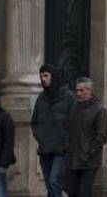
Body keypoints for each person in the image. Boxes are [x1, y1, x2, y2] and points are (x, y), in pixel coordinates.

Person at [31, 63, 75, 197]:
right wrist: (41, 138)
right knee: (50, 185)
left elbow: (75, 123)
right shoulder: (41, 98)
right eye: (41, 76)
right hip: (45, 149)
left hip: (61, 150)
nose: (43, 79)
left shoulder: (69, 97)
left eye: (46, 76)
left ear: (53, 77)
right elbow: (35, 122)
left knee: (55, 180)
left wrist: (66, 142)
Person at [64, 76, 107, 197]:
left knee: (84, 193)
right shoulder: (74, 107)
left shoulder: (100, 110)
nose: (78, 93)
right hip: (72, 158)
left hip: (89, 161)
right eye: (77, 90)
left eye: (82, 90)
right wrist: (67, 147)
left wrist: (89, 152)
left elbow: (101, 136)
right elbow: (68, 129)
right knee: (71, 191)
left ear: (90, 91)